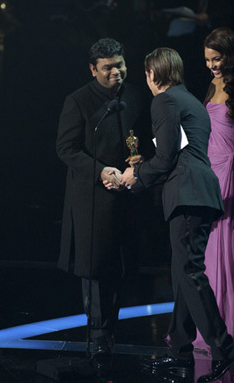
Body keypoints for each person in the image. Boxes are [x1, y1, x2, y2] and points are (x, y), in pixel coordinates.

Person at [120, 47, 234, 382]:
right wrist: (148, 166)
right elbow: (179, 152)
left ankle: (224, 349)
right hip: (200, 190)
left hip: (188, 194)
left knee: (190, 271)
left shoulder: (164, 101)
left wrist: (136, 179)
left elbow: (168, 157)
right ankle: (181, 351)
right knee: (182, 273)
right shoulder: (189, 102)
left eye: (146, 74)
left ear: (153, 74)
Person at [56, 38, 152, 357]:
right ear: (93, 69)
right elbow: (66, 148)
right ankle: (98, 333)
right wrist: (101, 171)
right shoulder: (79, 100)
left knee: (121, 266)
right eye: (108, 68)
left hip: (126, 192)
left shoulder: (135, 95)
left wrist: (138, 164)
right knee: (96, 267)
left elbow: (143, 140)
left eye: (120, 65)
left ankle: (112, 328)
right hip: (93, 196)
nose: (116, 72)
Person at [194, 28, 234, 352]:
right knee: (208, 250)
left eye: (217, 58)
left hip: (230, 172)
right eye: (208, 60)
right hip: (210, 170)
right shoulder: (212, 84)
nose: (212, 66)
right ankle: (213, 322)